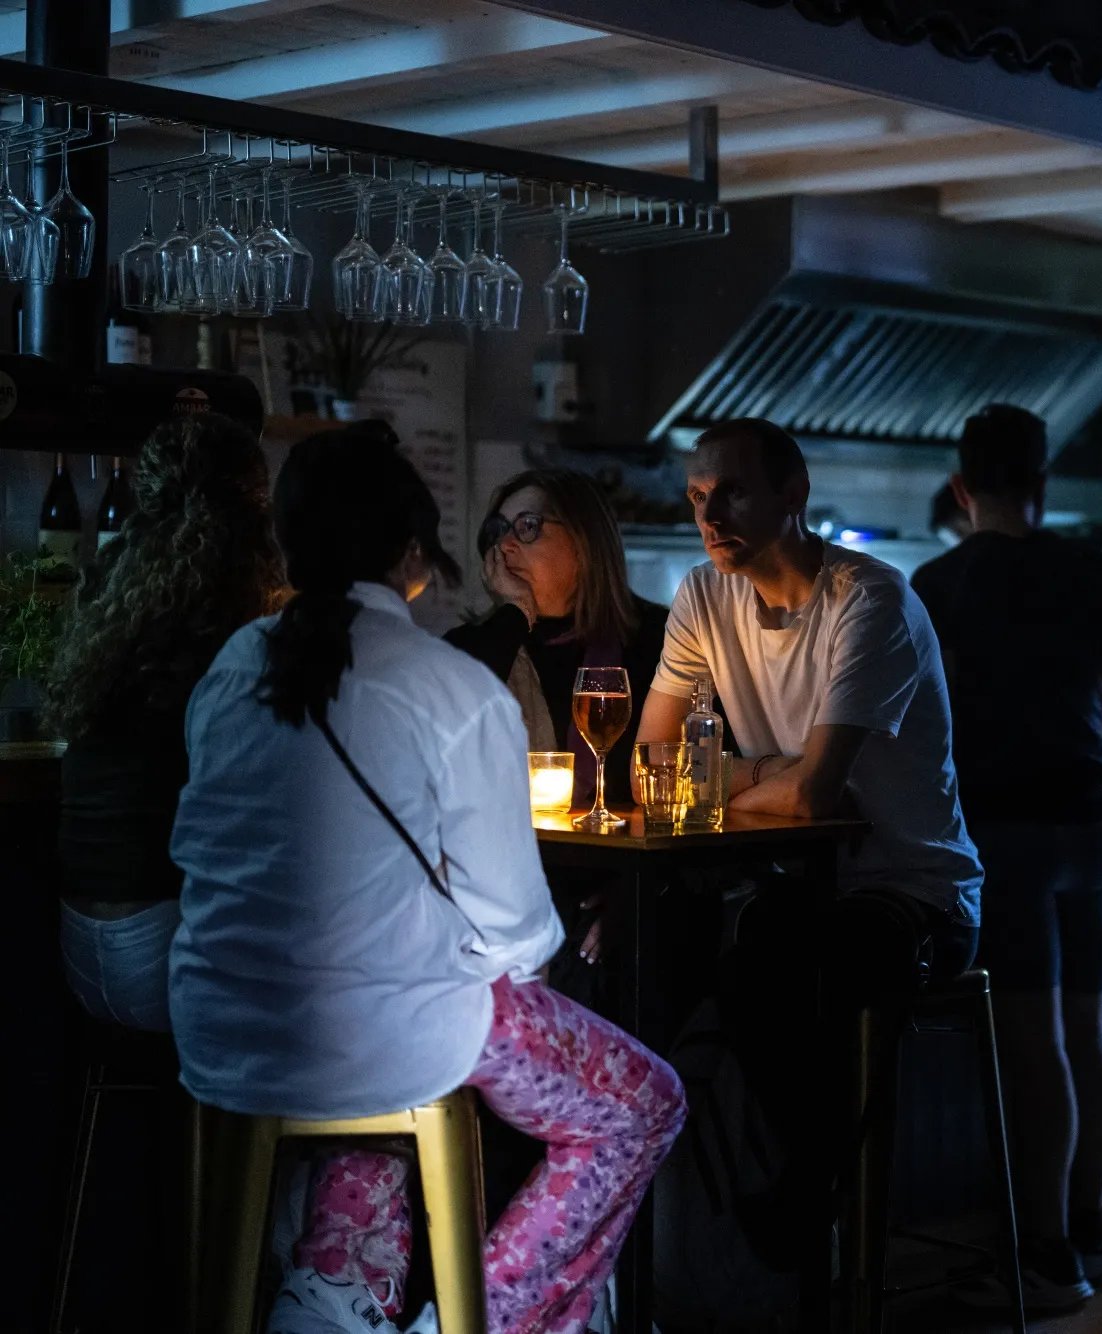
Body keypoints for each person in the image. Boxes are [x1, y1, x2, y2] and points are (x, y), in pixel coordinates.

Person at [169, 426, 683, 1334]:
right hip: (385, 1031)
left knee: (398, 1029)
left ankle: (334, 1296)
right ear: (414, 552)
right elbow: (521, 933)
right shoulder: (450, 687)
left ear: (289, 544)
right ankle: (476, 1314)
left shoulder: (229, 667)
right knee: (642, 1103)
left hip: (219, 1025)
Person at [632, 416, 981, 1276]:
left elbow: (818, 792)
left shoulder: (869, 601)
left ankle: (802, 1219)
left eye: (734, 492)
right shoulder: (703, 598)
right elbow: (651, 761)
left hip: (918, 895)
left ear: (795, 495)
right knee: (689, 951)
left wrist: (730, 775)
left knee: (791, 954)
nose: (711, 516)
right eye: (698, 497)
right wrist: (768, 770)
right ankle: (682, 1254)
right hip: (789, 890)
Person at [910, 404, 1102, 1308]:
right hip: (1089, 818)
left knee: (1033, 1049)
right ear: (1043, 485)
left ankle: (1048, 1255)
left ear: (960, 489)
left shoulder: (936, 584)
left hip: (1002, 828)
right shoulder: (1089, 573)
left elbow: (910, 719)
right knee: (1086, 1032)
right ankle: (1093, 1232)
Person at [47, 414, 287, 1031]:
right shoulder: (234, 628)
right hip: (165, 956)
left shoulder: (113, 606)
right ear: (256, 512)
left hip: (79, 946)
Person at [448, 468, 668, 812]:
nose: (505, 546)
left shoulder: (661, 640)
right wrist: (516, 612)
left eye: (528, 527)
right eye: (498, 531)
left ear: (585, 542)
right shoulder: (476, 645)